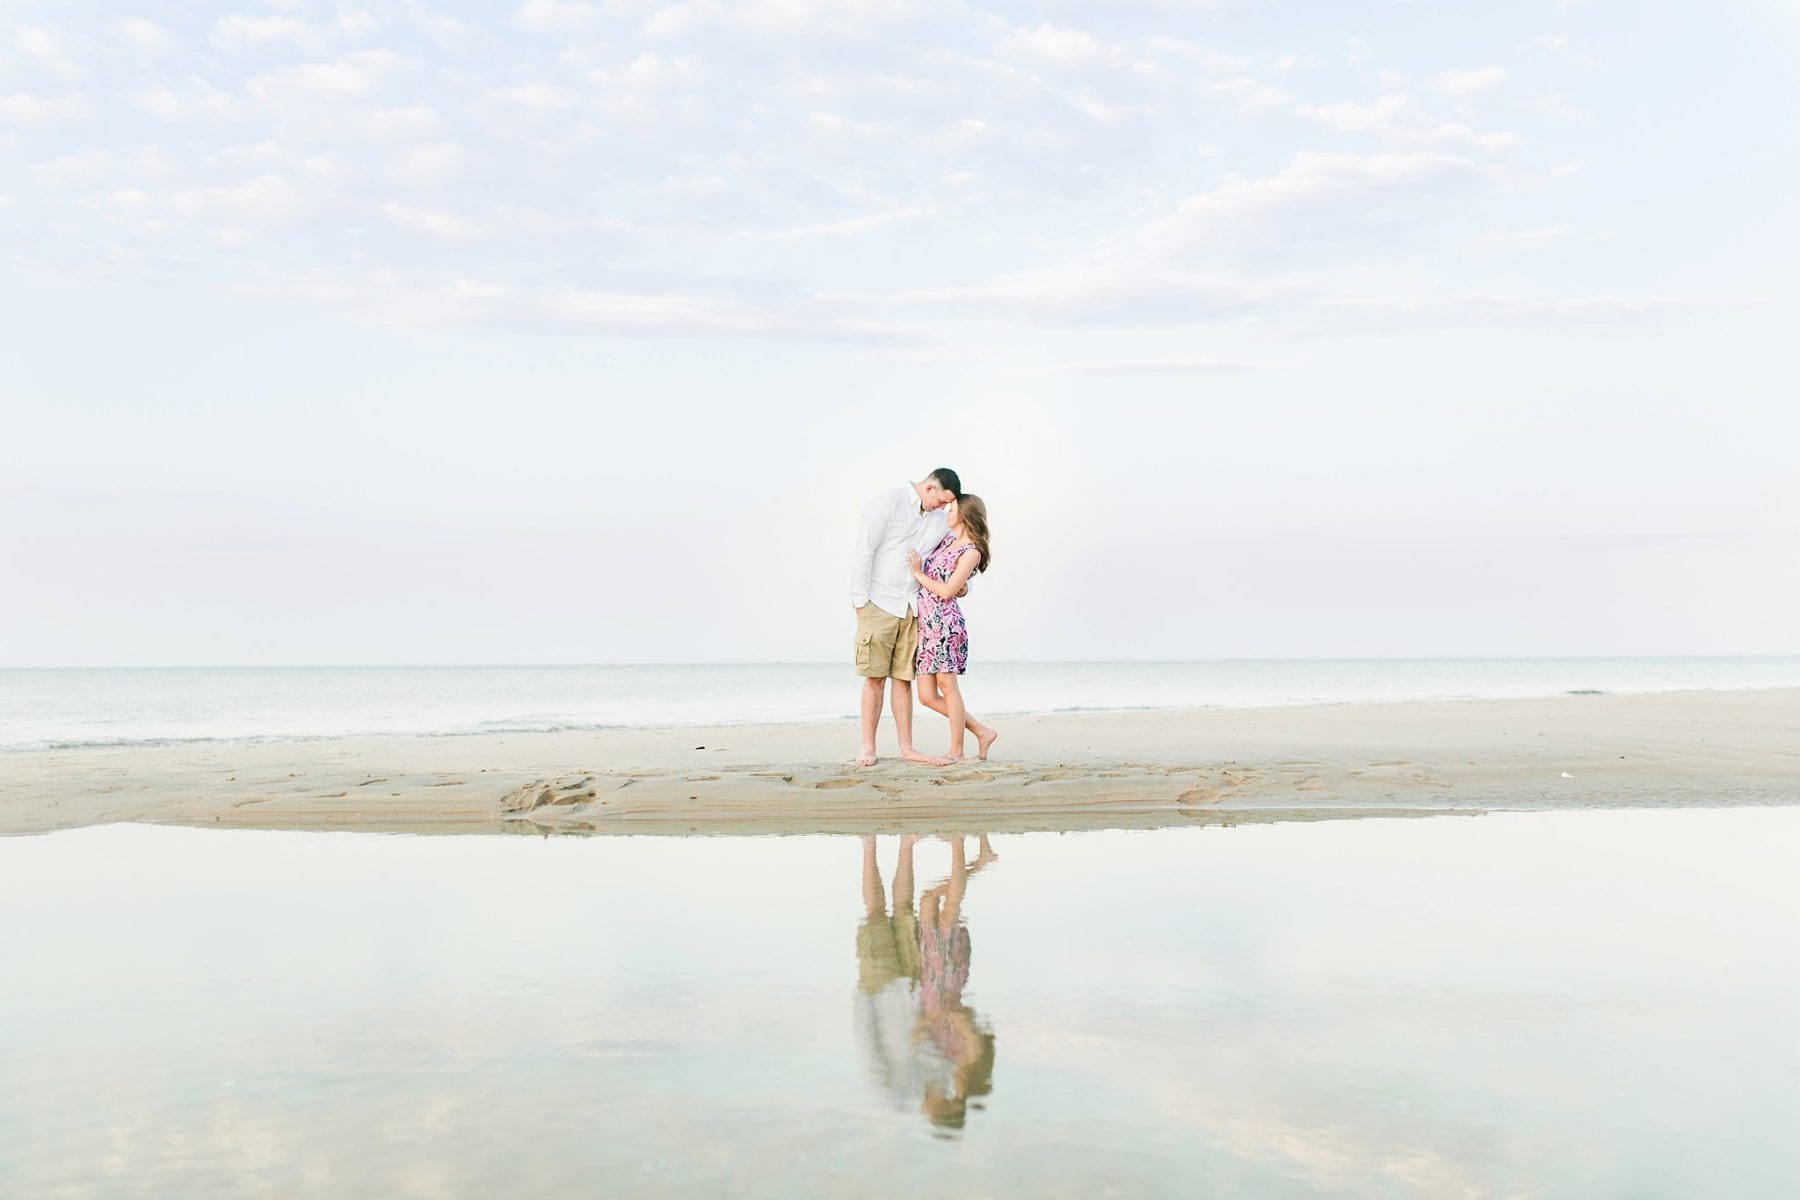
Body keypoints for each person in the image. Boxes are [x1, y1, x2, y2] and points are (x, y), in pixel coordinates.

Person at [849, 469, 964, 767]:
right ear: (928, 488)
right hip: (878, 602)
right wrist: (860, 601)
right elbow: (865, 548)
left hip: (912, 607)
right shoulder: (889, 501)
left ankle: (907, 747)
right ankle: (868, 747)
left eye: (947, 504)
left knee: (903, 680)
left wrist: (965, 585)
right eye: (941, 501)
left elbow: (953, 552)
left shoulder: (938, 519)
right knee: (874, 677)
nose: (943, 508)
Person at [908, 494, 998, 763]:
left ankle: (957, 750)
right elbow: (958, 586)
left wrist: (917, 574)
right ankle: (982, 731)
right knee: (926, 696)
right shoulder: (947, 540)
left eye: (952, 508)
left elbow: (947, 591)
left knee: (948, 686)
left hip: (946, 624)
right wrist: (964, 587)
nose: (947, 511)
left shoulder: (971, 551)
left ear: (965, 514)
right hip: (927, 624)